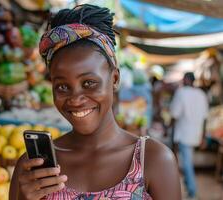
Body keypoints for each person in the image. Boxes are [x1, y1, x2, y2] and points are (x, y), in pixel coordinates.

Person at [10, 4, 181, 200]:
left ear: (114, 79)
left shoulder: (153, 160)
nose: (75, 99)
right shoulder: (33, 170)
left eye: (89, 83)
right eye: (62, 87)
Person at [170, 72, 209, 199]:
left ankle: (192, 191)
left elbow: (174, 115)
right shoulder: (201, 94)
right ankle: (188, 186)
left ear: (186, 79)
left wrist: (170, 130)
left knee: (186, 163)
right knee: (187, 161)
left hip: (183, 132)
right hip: (196, 133)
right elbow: (205, 118)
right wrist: (203, 136)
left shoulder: (181, 93)